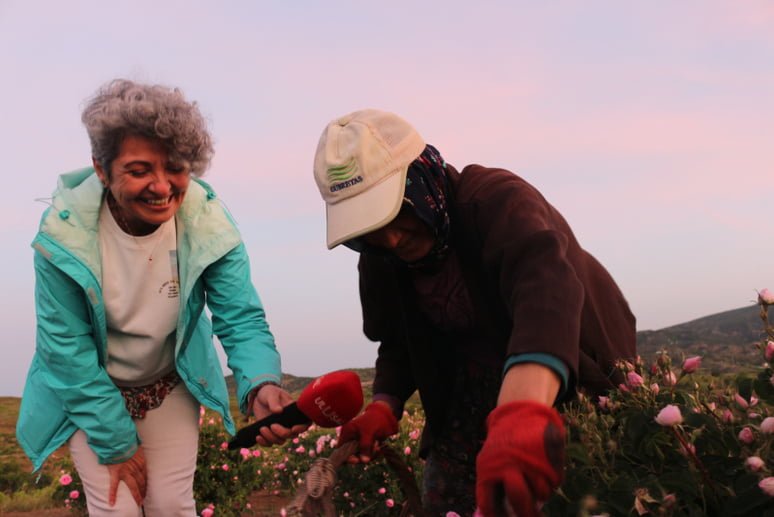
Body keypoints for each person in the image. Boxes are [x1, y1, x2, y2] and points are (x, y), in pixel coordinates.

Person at [312, 109, 637, 516]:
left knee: (580, 497)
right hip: (463, 411)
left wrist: (522, 411)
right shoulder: (381, 257)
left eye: (395, 212)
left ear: (422, 179)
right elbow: (397, 341)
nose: (391, 237)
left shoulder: (495, 200)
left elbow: (546, 294)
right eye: (368, 228)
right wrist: (384, 404)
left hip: (555, 386)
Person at [16, 79, 305, 516]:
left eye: (175, 167)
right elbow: (65, 349)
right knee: (119, 508)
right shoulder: (63, 236)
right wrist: (116, 443)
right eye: (138, 170)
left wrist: (260, 383)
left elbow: (240, 317)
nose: (161, 186)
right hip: (90, 388)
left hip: (168, 386)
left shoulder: (208, 225)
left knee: (171, 504)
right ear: (101, 168)